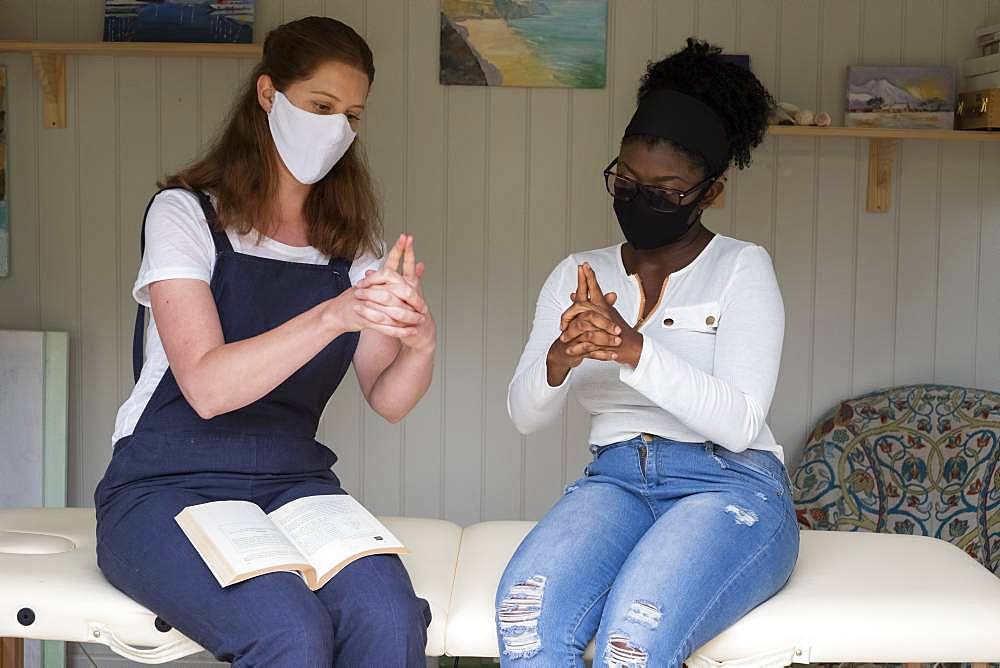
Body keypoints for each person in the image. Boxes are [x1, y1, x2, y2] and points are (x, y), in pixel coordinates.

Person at [94, 17, 435, 667]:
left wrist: (420, 341)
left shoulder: (351, 247)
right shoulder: (186, 213)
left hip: (293, 485)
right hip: (165, 486)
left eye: (353, 116)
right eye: (321, 106)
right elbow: (208, 387)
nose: (338, 128)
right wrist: (334, 316)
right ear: (267, 94)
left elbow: (387, 398)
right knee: (288, 632)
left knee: (389, 620)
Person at [497, 39, 796, 667]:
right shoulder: (577, 273)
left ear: (709, 193)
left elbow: (740, 422)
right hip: (615, 480)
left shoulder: (743, 269)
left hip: (727, 484)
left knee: (631, 647)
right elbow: (526, 417)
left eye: (665, 189)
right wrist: (560, 359)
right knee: (525, 625)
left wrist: (633, 349)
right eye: (626, 181)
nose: (638, 198)